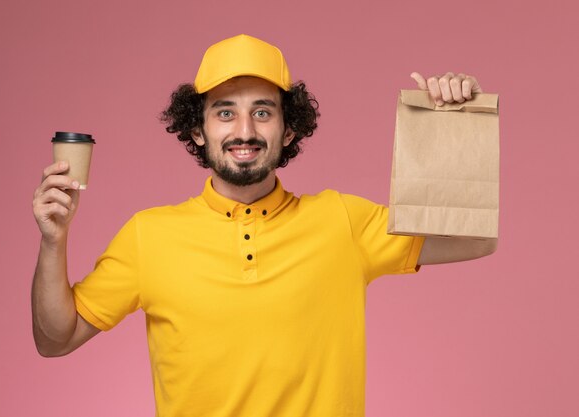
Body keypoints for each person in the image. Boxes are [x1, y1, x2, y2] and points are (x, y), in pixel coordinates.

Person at [32, 34, 497, 416]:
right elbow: (56, 339)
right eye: (224, 112)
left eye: (262, 111)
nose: (245, 131)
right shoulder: (148, 236)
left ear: (288, 129)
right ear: (198, 130)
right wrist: (54, 240)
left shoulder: (342, 221)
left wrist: (455, 125)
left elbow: (474, 239)